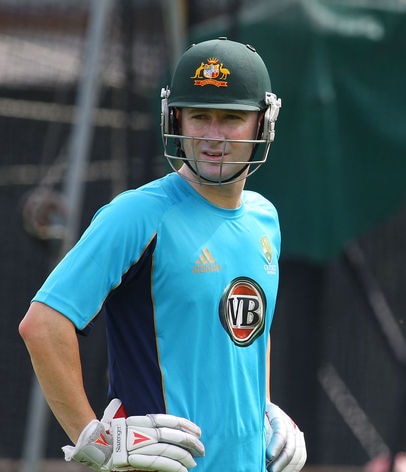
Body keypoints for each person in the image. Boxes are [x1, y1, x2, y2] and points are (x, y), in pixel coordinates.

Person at [19, 37, 306, 472]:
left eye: (231, 118)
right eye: (199, 116)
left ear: (262, 124)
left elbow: (241, 339)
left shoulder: (265, 219)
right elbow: (42, 325)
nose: (213, 136)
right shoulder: (138, 214)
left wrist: (263, 409)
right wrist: (95, 439)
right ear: (176, 117)